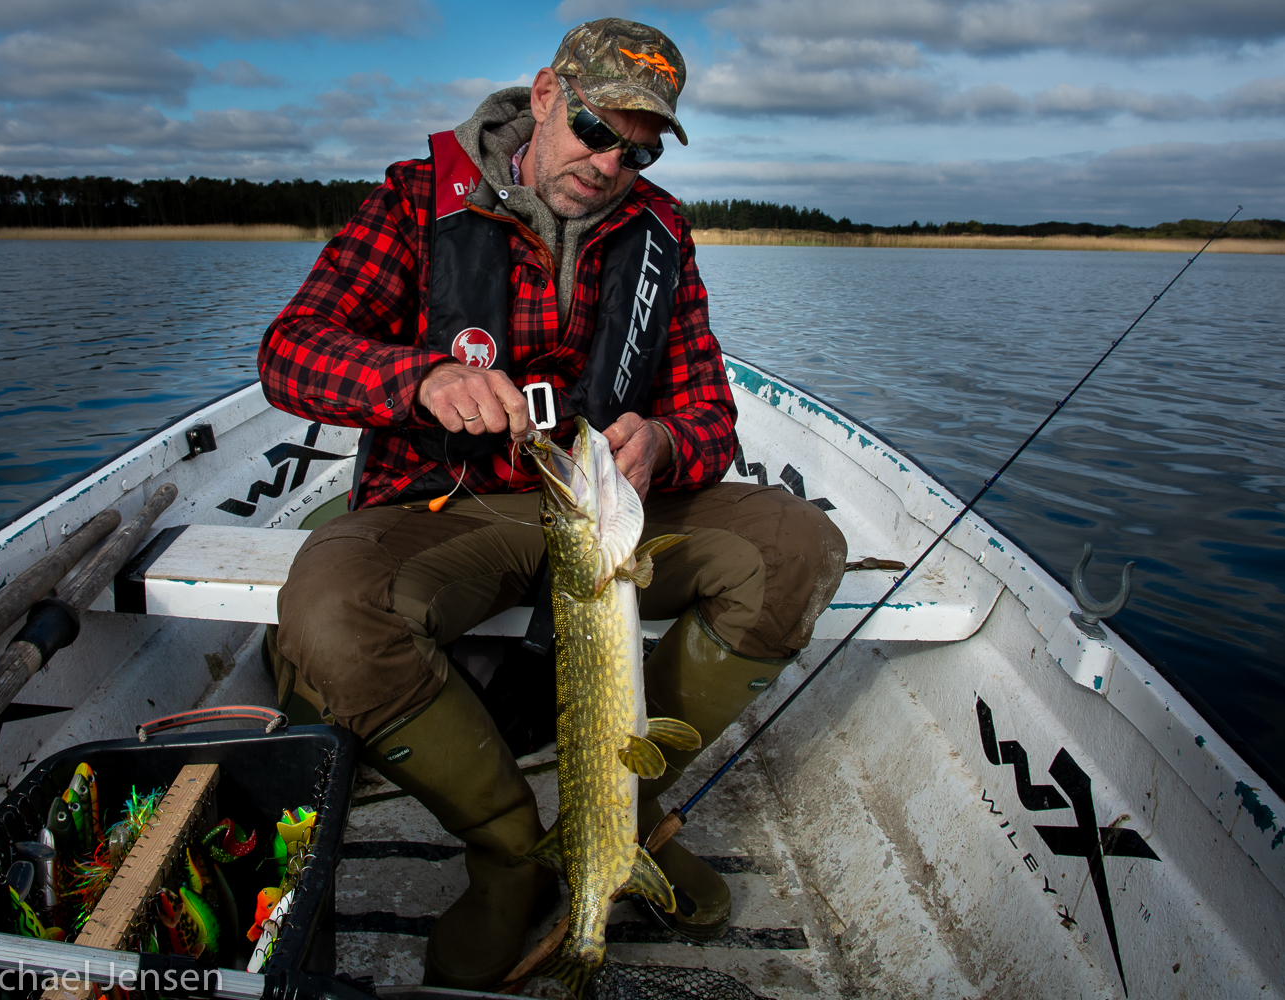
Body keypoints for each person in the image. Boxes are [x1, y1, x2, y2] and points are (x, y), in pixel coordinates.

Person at [258, 18, 846, 990]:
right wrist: (419, 377)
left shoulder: (658, 232)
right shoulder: (415, 198)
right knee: (328, 616)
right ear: (543, 94)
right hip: (449, 502)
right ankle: (506, 849)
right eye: (594, 126)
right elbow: (291, 349)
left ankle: (610, 826)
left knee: (797, 546)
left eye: (638, 147)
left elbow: (708, 410)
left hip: (605, 505)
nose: (612, 160)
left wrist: (667, 440)